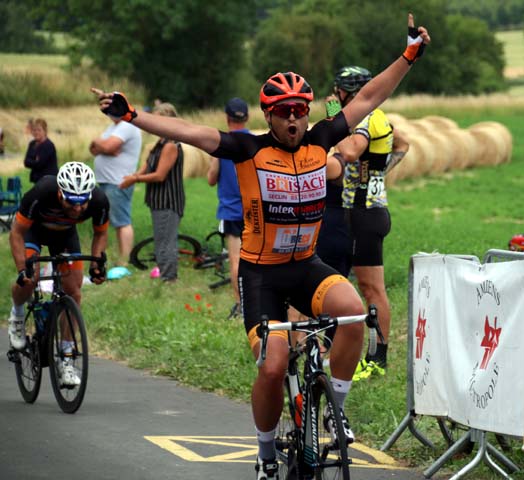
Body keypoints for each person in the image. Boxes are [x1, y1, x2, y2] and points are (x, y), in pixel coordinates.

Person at [92, 13, 430, 479]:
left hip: (307, 266)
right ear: (267, 114)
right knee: (272, 368)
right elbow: (187, 131)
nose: (294, 118)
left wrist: (410, 54)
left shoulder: (323, 139)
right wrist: (131, 116)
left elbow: (371, 96)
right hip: (262, 274)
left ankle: (333, 410)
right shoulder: (246, 149)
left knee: (354, 315)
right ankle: (267, 454)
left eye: (300, 109)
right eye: (284, 111)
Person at [322, 65, 410, 381]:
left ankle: (377, 359)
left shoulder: (364, 119)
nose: (335, 96)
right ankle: (346, 349)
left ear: (351, 91)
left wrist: (335, 118)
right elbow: (403, 142)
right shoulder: (376, 117)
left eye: (339, 92)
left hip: (364, 214)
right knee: (355, 286)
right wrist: (379, 172)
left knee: (371, 289)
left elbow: (349, 149)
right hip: (364, 210)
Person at [7, 162, 109, 384]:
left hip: (64, 236)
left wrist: (96, 265)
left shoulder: (99, 200)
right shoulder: (42, 191)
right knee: (30, 278)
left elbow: (100, 234)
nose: (78, 209)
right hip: (33, 231)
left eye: (83, 203)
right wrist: (21, 268)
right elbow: (16, 232)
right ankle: (17, 314)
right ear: (60, 192)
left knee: (74, 292)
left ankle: (67, 358)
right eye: (72, 202)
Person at [119, 103, 184, 283]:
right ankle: (165, 275)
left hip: (168, 201)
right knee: (160, 240)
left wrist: (135, 180)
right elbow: (147, 166)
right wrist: (133, 176)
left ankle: (170, 279)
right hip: (157, 201)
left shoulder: (171, 145)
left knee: (166, 241)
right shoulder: (160, 143)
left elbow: (160, 175)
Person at [207, 97, 250, 316]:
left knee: (236, 260)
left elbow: (211, 179)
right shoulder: (255, 141)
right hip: (254, 210)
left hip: (231, 211)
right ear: (247, 117)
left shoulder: (222, 143)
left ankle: (241, 305)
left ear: (227, 117)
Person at [89, 109, 142, 266]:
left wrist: (102, 145)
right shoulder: (113, 128)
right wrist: (100, 144)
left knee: (122, 221)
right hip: (107, 181)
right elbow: (93, 149)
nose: (109, 111)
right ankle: (111, 258)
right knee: (110, 221)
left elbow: (108, 146)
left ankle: (125, 261)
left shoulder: (127, 126)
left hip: (118, 181)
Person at [23, 118, 59, 183]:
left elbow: (40, 164)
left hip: (49, 181)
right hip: (37, 180)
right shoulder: (32, 144)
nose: (36, 132)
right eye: (34, 130)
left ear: (45, 131)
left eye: (39, 130)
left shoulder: (48, 145)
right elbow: (26, 162)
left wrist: (33, 160)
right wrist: (35, 161)